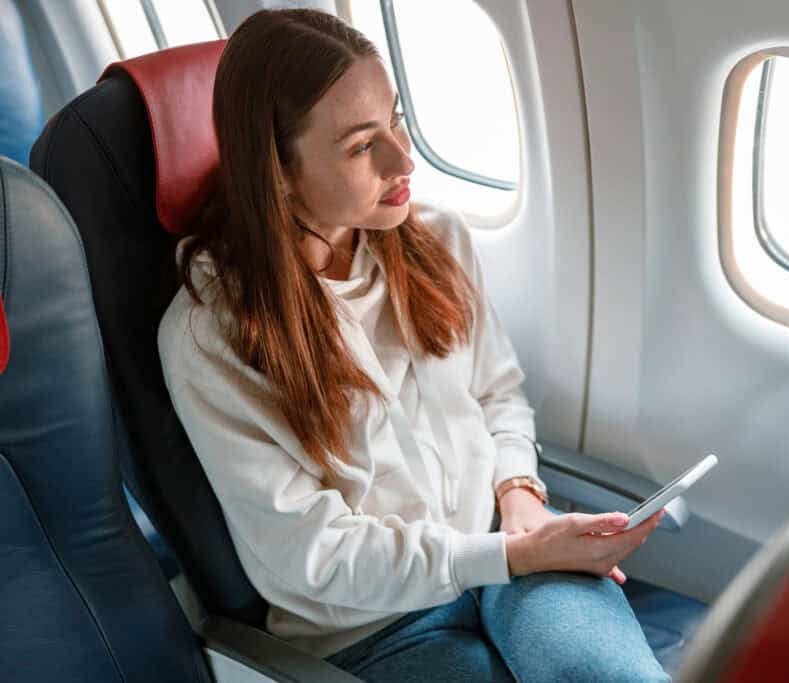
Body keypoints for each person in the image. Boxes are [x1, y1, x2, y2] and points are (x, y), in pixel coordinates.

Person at [158, 8, 669, 682]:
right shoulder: (214, 336)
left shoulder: (437, 240)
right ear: (278, 172)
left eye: (396, 119)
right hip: (370, 624)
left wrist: (519, 494)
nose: (405, 156)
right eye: (362, 144)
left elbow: (497, 394)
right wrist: (507, 554)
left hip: (508, 546)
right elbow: (310, 554)